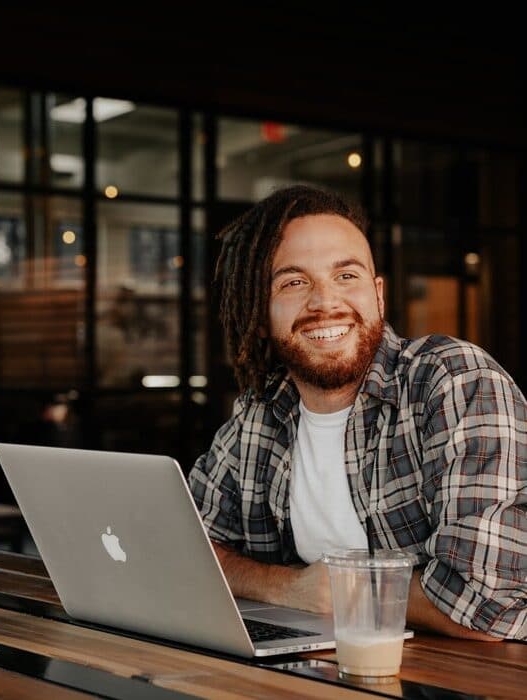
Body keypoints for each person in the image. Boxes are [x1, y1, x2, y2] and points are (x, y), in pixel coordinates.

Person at [188, 184, 526, 641]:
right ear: (262, 314)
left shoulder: (453, 381)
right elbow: (190, 549)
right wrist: (291, 588)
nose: (325, 302)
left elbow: (489, 602)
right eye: (294, 281)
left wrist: (349, 589)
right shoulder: (261, 413)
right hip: (315, 672)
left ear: (378, 295)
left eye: (346, 276)